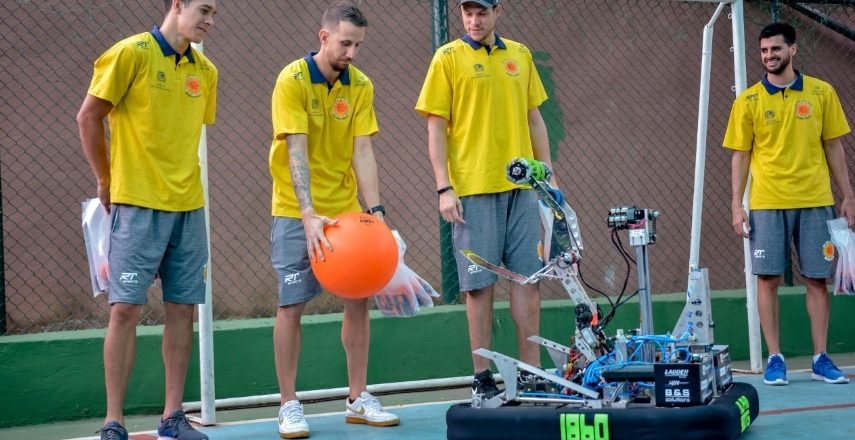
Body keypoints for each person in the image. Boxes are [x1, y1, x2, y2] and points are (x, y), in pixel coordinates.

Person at [76, 1, 218, 439]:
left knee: (183, 309)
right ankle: (113, 422)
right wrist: (105, 179)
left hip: (189, 208)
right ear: (178, 4)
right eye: (204, 9)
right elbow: (88, 116)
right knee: (124, 310)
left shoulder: (206, 71)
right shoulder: (130, 53)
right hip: (136, 203)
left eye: (215, 13)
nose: (210, 21)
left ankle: (172, 417)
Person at [268, 2, 399, 438]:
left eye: (358, 45)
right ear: (323, 37)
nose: (352, 53)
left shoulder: (360, 85)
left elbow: (362, 150)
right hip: (295, 210)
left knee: (358, 301)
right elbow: (296, 149)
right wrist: (307, 214)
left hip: (346, 211)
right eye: (345, 43)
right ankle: (288, 404)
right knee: (291, 305)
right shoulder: (291, 80)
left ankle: (358, 398)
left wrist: (376, 215)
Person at [415, 0, 553, 397]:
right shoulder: (447, 58)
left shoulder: (520, 55)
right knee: (479, 286)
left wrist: (548, 177)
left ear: (498, 12)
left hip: (523, 189)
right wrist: (444, 187)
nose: (474, 21)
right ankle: (482, 377)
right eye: (468, 13)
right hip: (472, 190)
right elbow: (435, 127)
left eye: (482, 13)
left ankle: (531, 373)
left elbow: (534, 118)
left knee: (528, 280)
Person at [725, 22, 853, 386]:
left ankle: (820, 358)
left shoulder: (821, 92)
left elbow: (833, 145)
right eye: (764, 50)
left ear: (793, 49)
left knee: (817, 280)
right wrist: (736, 205)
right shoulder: (748, 100)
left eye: (776, 49)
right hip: (767, 204)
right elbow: (740, 156)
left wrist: (849, 195)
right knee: (767, 280)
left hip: (816, 200)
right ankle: (775, 358)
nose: (769, 56)